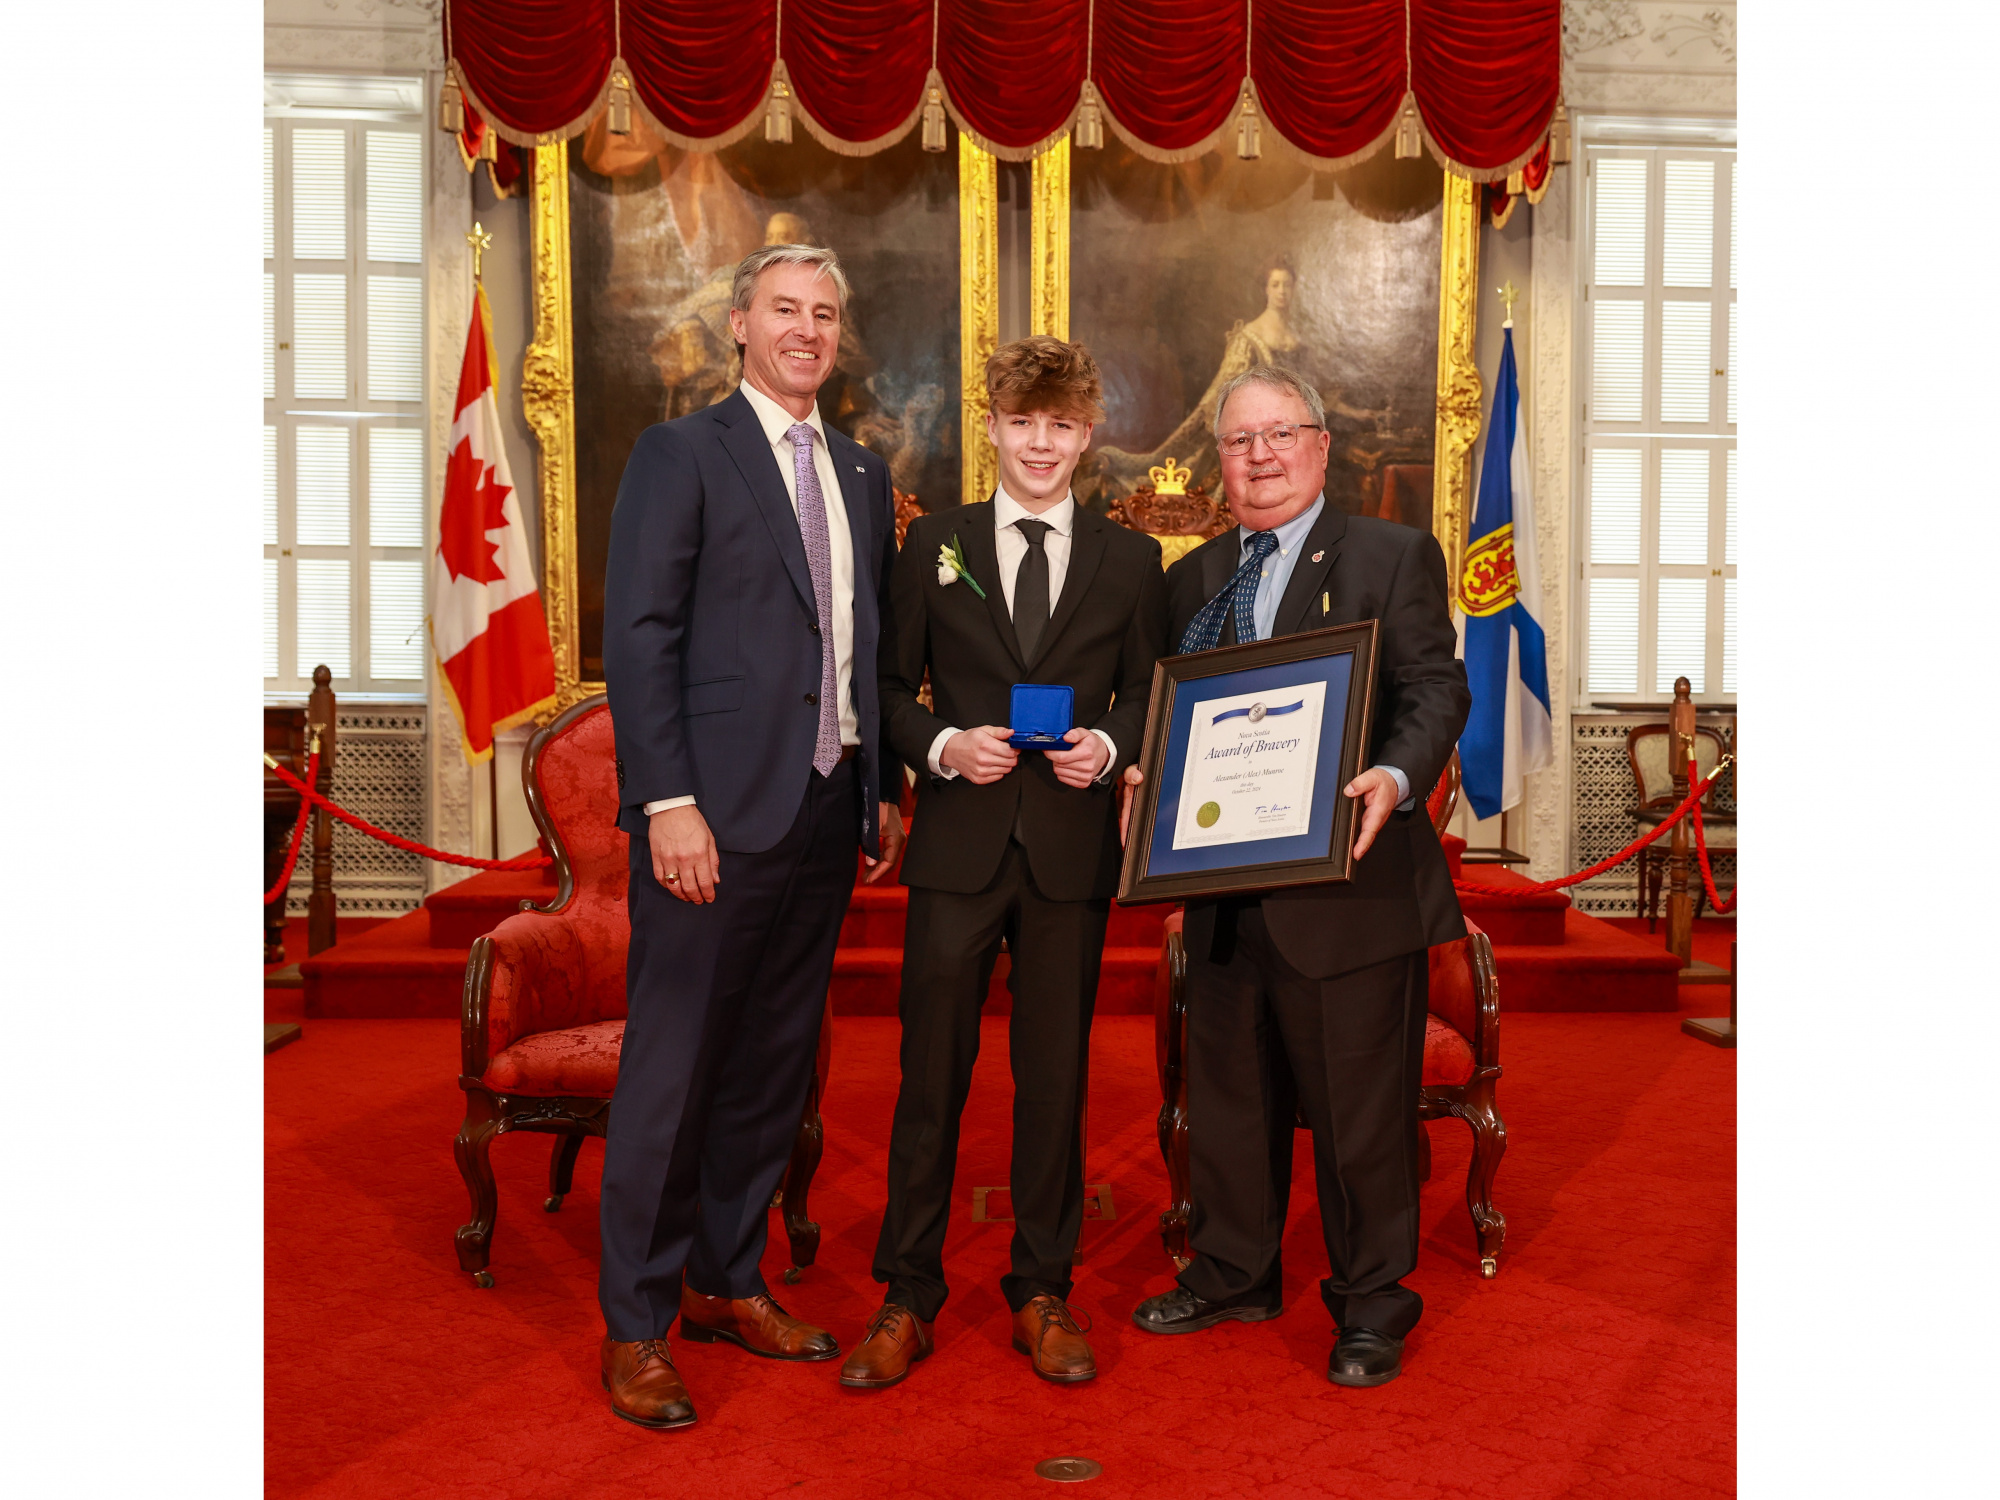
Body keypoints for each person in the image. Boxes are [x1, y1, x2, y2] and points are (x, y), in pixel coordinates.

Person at [597, 243, 906, 1430]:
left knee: (772, 1070)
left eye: (826, 313)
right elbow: (639, 636)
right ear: (738, 324)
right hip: (711, 820)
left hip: (826, 812)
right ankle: (635, 1324)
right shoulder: (682, 454)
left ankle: (725, 1280)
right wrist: (666, 800)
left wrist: (876, 787)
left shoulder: (865, 474)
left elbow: (860, 646)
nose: (807, 330)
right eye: (785, 309)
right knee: (672, 1070)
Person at [1128, 364, 1469, 1388]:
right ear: (1218, 461)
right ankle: (1235, 1269)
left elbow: (1433, 687)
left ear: (1321, 448)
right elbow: (1168, 714)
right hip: (1226, 896)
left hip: (1350, 896)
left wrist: (1397, 776)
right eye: (1239, 441)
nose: (1260, 456)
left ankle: (1371, 1303)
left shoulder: (1387, 553)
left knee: (1360, 1115)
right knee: (1230, 1098)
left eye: (1280, 435)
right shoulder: (1190, 582)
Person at [840, 337, 1166, 1390]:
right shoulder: (932, 543)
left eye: (1062, 425)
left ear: (1085, 436)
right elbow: (884, 691)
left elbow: (1144, 695)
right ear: (991, 426)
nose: (1041, 443)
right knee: (928, 1080)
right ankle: (907, 1294)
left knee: (1054, 1081)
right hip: (959, 846)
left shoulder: (1129, 560)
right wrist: (940, 746)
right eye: (1023, 422)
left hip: (1068, 854)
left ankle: (1041, 1290)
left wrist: (1108, 747)